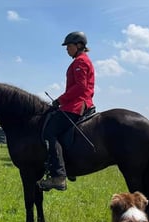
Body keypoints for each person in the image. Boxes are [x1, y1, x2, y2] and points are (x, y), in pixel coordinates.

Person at [37, 31, 95, 191]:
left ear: (79, 46)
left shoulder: (80, 62)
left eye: (69, 46)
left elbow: (81, 87)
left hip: (76, 105)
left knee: (49, 132)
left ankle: (59, 176)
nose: (67, 49)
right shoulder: (82, 60)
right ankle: (69, 165)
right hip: (79, 103)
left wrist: (60, 100)